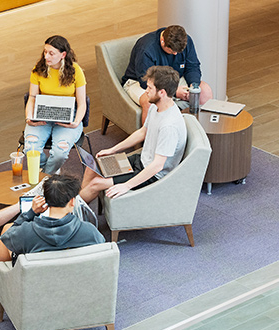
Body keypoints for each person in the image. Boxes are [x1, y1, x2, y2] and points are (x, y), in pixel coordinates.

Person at [80, 65, 187, 202]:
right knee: (92, 167)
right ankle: (75, 208)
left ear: (162, 92)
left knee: (96, 183)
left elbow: (157, 166)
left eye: (149, 88)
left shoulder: (169, 126)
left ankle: (69, 214)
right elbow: (142, 132)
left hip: (152, 176)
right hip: (141, 160)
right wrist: (112, 150)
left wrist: (126, 185)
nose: (146, 91)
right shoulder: (156, 107)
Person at [0, 174, 105, 264]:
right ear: (72, 201)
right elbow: (101, 252)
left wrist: (30, 213)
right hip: (74, 283)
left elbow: (6, 238)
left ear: (46, 201)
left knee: (7, 229)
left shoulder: (25, 232)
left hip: (35, 284)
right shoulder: (89, 231)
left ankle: (4, 278)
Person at [122, 25, 213, 124]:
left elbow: (193, 66)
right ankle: (150, 138)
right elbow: (145, 81)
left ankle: (197, 130)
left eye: (178, 52)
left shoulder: (186, 41)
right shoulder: (146, 49)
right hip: (140, 82)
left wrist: (193, 85)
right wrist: (173, 92)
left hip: (172, 79)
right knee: (151, 103)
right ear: (162, 41)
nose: (175, 54)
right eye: (172, 51)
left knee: (205, 91)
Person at [24, 35, 87, 174]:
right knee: (30, 148)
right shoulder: (38, 69)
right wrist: (28, 117)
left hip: (68, 115)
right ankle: (49, 174)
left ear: (63, 55)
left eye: (51, 53)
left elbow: (82, 103)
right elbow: (32, 97)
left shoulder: (76, 71)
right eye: (45, 52)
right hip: (43, 114)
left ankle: (45, 176)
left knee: (60, 153)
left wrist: (76, 122)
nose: (46, 57)